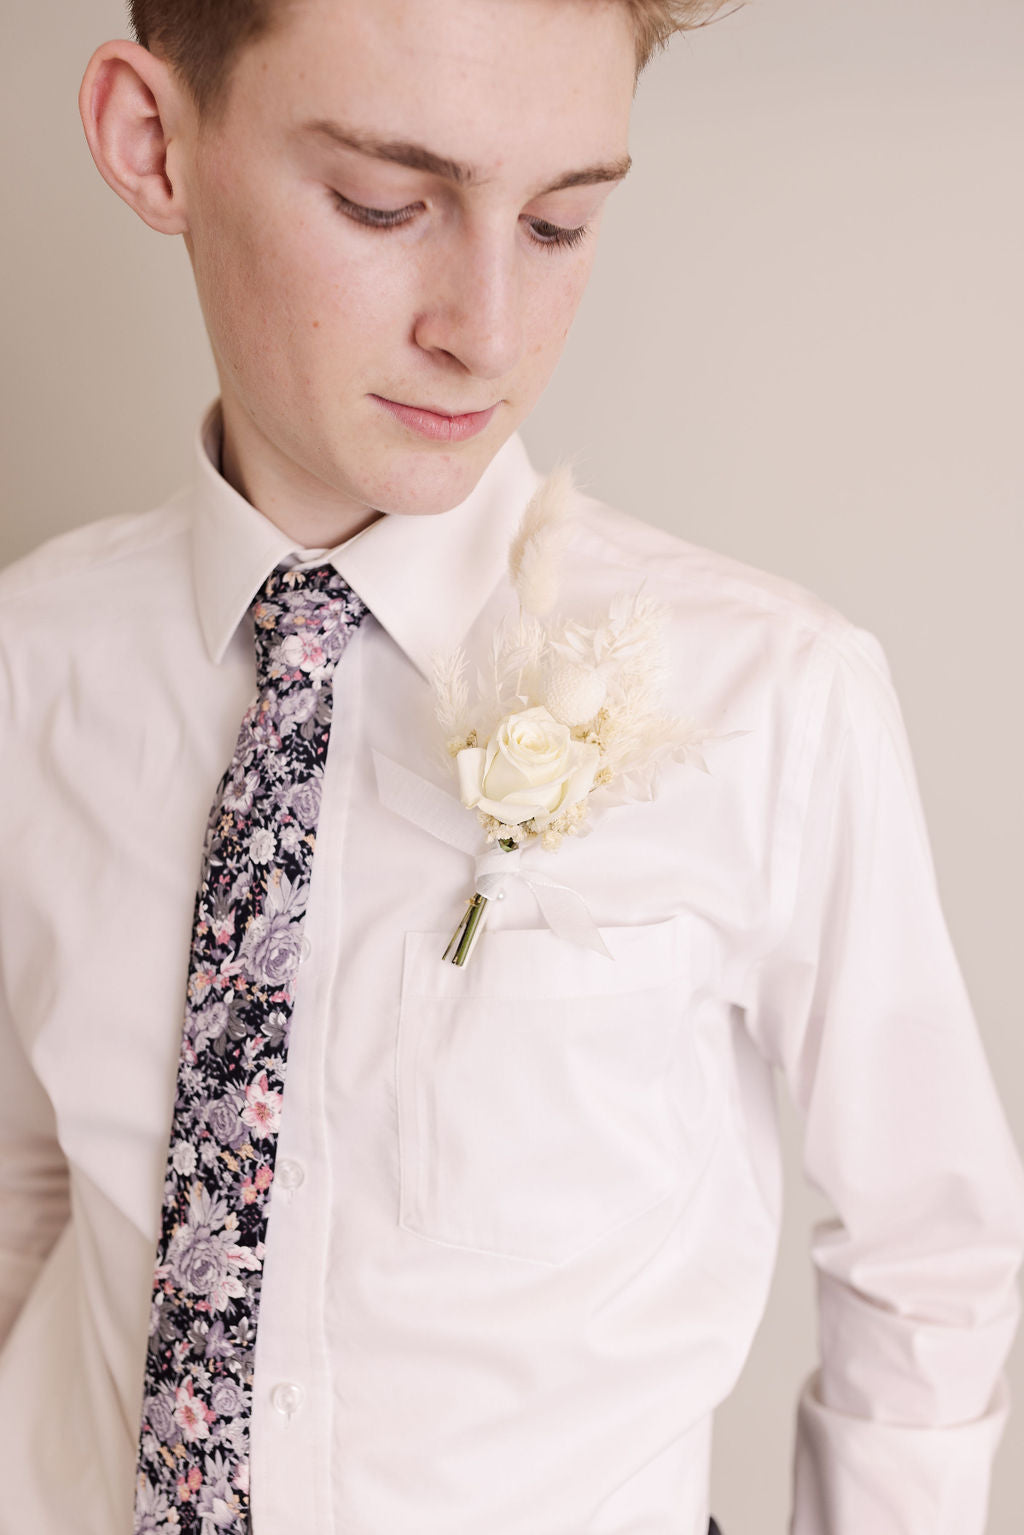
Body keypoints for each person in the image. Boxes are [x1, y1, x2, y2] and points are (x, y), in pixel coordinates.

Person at [0, 1, 1021, 1532]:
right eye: (383, 205)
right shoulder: (32, 662)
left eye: (557, 224)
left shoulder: (773, 699)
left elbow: (927, 1255)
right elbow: (36, 1180)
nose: (484, 327)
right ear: (156, 145)